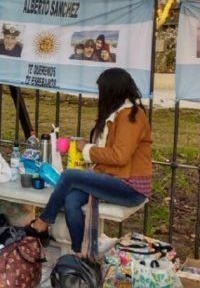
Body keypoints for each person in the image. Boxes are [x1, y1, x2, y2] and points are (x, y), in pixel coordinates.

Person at [28, 68, 151, 258]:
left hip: (130, 187)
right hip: (113, 178)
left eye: (102, 91)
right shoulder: (118, 115)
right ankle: (81, 254)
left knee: (69, 176)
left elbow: (120, 156)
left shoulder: (131, 117)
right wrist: (87, 144)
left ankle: (43, 222)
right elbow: (111, 148)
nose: (100, 96)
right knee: (71, 200)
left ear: (112, 92)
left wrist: (87, 149)